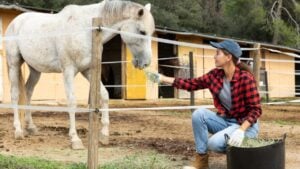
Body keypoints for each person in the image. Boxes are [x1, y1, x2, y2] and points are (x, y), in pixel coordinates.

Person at [145, 40, 262, 169]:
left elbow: (256, 110)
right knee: (199, 114)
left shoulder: (245, 78)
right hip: (228, 122)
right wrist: (162, 78)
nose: (214, 56)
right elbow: (191, 84)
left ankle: (243, 152)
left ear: (228, 57)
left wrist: (241, 130)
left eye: (218, 53)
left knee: (213, 144)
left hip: (246, 127)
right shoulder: (215, 76)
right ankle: (201, 162)